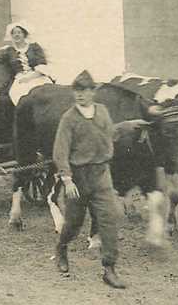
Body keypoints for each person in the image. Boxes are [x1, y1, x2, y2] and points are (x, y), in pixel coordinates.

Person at [53, 70, 126, 289]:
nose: (80, 95)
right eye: (77, 91)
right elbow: (60, 151)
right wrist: (67, 180)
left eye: (84, 91)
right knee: (73, 223)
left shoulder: (102, 111)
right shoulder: (69, 118)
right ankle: (61, 248)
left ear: (93, 92)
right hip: (78, 178)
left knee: (109, 219)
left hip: (101, 175)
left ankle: (109, 269)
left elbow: (109, 134)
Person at [0, 21, 53, 105]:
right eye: (14, 33)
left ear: (24, 34)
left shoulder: (34, 47)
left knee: (42, 93)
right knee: (17, 94)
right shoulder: (9, 50)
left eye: (19, 32)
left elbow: (42, 65)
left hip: (37, 76)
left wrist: (29, 78)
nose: (16, 35)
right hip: (20, 78)